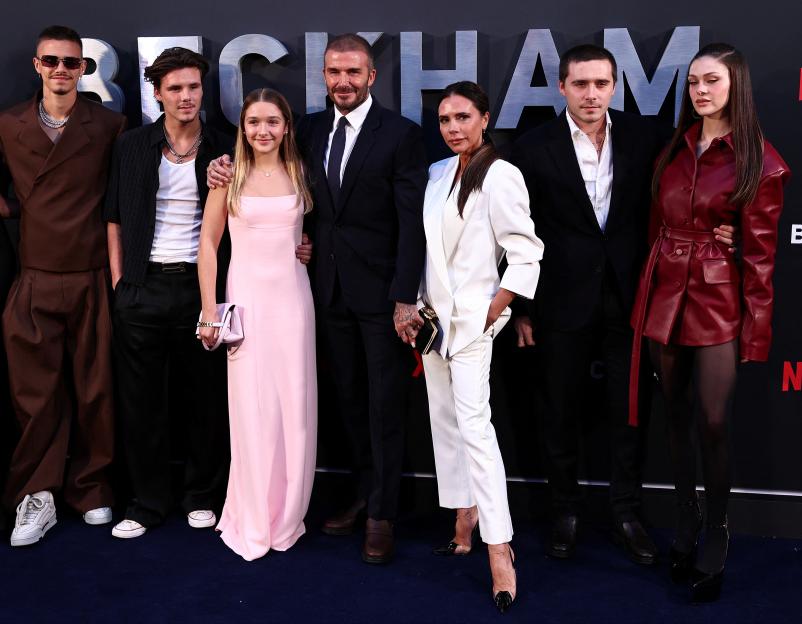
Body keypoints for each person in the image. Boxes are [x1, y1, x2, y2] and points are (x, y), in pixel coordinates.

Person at [510, 44, 735, 565]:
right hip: (558, 300)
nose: (591, 94)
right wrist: (521, 307)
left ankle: (626, 512)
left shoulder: (650, 138)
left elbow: (688, 199)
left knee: (630, 413)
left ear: (615, 87)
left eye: (601, 84)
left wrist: (728, 232)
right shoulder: (531, 147)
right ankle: (564, 509)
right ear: (562, 87)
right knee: (557, 409)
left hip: (635, 298)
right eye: (580, 84)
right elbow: (514, 233)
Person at [208, 33, 427, 564]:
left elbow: (410, 225)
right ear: (323, 76)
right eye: (334, 73)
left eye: (353, 72)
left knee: (384, 406)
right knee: (347, 401)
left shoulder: (401, 135)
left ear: (372, 76)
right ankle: (360, 491)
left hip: (380, 298)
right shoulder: (306, 128)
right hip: (322, 292)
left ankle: (382, 514)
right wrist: (221, 165)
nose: (343, 82)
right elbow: (266, 165)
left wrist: (405, 298)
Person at [629, 43, 790, 602]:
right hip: (664, 292)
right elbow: (654, 226)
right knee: (672, 416)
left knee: (713, 421)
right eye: (694, 80)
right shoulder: (672, 149)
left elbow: (763, 258)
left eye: (713, 81)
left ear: (735, 86)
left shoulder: (761, 161)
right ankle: (688, 519)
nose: (701, 90)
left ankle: (718, 530)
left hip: (719, 301)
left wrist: (757, 331)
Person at [420, 81, 543, 613]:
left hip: (472, 324)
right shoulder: (436, 173)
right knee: (443, 422)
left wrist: (496, 308)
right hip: (431, 323)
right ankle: (462, 514)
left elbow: (526, 252)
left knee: (476, 428)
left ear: (485, 118)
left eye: (463, 117)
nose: (453, 128)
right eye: (445, 119)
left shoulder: (501, 174)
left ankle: (499, 547)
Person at [0, 25, 126, 546]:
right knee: (36, 396)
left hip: (91, 275)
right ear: (36, 65)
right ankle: (38, 494)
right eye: (50, 61)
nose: (60, 70)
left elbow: (123, 203)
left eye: (71, 63)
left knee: (96, 391)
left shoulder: (109, 125)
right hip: (34, 277)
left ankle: (92, 489)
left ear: (84, 69)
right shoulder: (8, 125)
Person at [103, 47, 233, 539]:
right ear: (156, 94)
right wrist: (121, 285)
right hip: (142, 286)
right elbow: (114, 218)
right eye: (175, 88)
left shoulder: (228, 145)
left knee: (205, 399)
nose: (186, 96)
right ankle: (147, 503)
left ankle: (201, 494)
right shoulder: (132, 145)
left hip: (202, 288)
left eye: (194, 87)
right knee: (142, 403)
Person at [197, 88, 316, 561]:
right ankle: (250, 511)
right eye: (253, 122)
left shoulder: (302, 171)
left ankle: (288, 514)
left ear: (286, 126)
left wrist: (306, 243)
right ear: (242, 127)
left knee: (295, 407)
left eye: (272, 121)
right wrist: (210, 311)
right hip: (244, 300)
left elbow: (317, 230)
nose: (262, 131)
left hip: (293, 301)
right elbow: (207, 245)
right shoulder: (228, 174)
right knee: (250, 410)